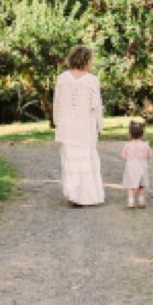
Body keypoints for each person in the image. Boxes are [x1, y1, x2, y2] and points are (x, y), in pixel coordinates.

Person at [53, 44, 105, 207]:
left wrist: (56, 121)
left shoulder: (62, 78)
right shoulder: (91, 80)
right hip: (85, 127)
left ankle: (73, 195)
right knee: (86, 160)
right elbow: (96, 106)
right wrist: (99, 125)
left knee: (70, 160)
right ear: (86, 60)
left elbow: (57, 103)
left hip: (67, 126)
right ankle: (86, 195)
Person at [121, 120, 151, 209]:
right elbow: (148, 156)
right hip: (142, 166)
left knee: (130, 185)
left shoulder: (127, 145)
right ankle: (141, 201)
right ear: (142, 134)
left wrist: (130, 158)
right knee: (141, 185)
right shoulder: (145, 145)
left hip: (131, 166)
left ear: (130, 134)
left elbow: (123, 155)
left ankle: (131, 202)